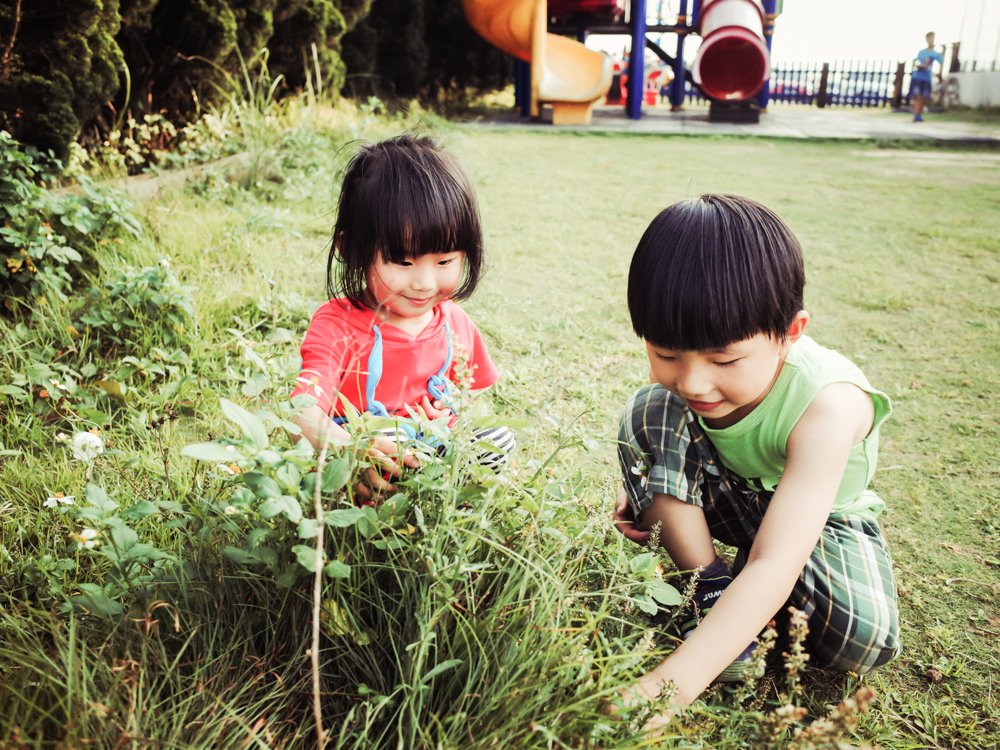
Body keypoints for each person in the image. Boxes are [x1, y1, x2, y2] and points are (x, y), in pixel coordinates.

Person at [613, 194, 900, 724]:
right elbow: (668, 427)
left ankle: (741, 607)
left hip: (819, 522)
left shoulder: (828, 405)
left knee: (862, 640)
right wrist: (651, 487)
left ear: (791, 333)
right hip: (732, 494)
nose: (694, 381)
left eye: (725, 359)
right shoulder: (681, 394)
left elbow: (777, 558)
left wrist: (669, 687)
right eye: (666, 354)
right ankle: (710, 587)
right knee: (651, 407)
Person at [291, 134, 515, 500]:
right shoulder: (337, 326)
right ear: (352, 250)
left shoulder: (455, 323)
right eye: (403, 262)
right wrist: (352, 450)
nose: (425, 283)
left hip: (432, 450)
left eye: (444, 261)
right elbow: (301, 414)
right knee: (387, 444)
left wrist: (453, 411)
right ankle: (368, 505)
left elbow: (476, 398)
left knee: (497, 439)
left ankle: (441, 507)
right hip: (365, 453)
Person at [910, 31, 944, 122]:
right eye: (930, 38)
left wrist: (939, 75)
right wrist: (921, 66)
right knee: (918, 97)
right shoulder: (921, 52)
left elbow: (941, 63)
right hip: (918, 76)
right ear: (926, 39)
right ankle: (916, 115)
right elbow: (916, 63)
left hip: (927, 77)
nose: (931, 40)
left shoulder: (935, 54)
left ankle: (919, 115)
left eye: (933, 38)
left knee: (924, 97)